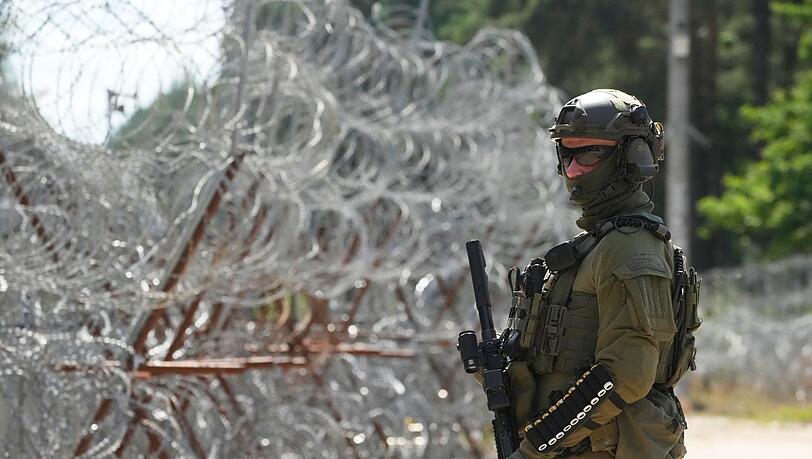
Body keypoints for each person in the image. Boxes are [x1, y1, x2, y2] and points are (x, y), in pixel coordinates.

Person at [502, 89, 697, 458]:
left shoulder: (630, 247)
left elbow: (625, 375)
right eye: (567, 152)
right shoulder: (595, 245)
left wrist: (534, 448)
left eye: (590, 153)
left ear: (632, 158)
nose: (573, 169)